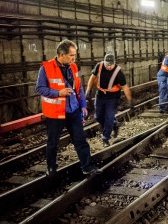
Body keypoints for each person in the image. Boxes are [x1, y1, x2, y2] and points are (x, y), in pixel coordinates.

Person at [36, 39, 100, 176]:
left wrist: (83, 105)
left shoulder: (73, 67)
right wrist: (58, 93)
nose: (74, 58)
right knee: (53, 143)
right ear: (61, 54)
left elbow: (79, 89)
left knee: (80, 140)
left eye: (74, 55)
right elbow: (40, 88)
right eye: (71, 55)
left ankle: (87, 167)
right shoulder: (46, 68)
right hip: (55, 113)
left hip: (74, 111)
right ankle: (51, 168)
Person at [85, 53, 133, 147]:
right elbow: (92, 78)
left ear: (114, 63)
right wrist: (88, 91)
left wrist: (130, 102)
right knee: (98, 116)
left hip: (113, 97)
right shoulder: (99, 66)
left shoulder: (118, 72)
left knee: (109, 117)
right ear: (104, 62)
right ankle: (114, 124)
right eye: (107, 64)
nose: (109, 67)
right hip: (100, 95)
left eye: (111, 65)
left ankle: (105, 138)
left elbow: (125, 88)